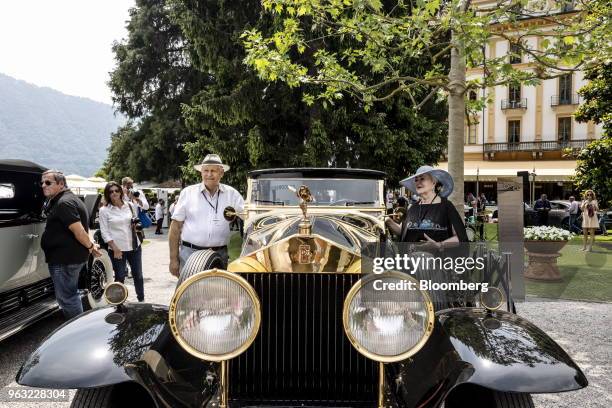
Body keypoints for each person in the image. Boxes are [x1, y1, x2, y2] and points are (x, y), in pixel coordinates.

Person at [40, 169, 101, 319]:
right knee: (70, 296)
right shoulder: (68, 199)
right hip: (67, 258)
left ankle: (76, 331)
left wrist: (91, 246)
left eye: (48, 182)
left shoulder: (64, 203)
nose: (43, 185)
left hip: (64, 260)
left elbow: (79, 231)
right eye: (42, 182)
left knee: (67, 298)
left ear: (61, 184)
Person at [169, 154, 244, 275]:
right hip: (190, 254)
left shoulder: (233, 194)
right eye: (206, 170)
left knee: (218, 292)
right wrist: (173, 259)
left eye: (213, 170)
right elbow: (175, 227)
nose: (209, 174)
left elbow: (248, 217)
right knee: (189, 292)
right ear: (201, 173)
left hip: (219, 255)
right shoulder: (187, 193)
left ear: (221, 173)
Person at [386, 165, 468, 245]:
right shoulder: (412, 207)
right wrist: (388, 221)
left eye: (422, 179)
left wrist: (440, 245)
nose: (418, 182)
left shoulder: (446, 206)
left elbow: (460, 237)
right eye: (416, 180)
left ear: (433, 183)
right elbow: (403, 231)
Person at [99, 181, 145, 301]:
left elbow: (136, 219)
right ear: (107, 194)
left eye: (116, 190)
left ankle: (141, 300)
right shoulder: (104, 210)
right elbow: (104, 232)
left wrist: (136, 226)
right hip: (117, 249)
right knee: (120, 277)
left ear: (120, 191)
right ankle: (119, 302)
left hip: (134, 246)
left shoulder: (129, 205)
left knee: (138, 276)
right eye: (111, 192)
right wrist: (115, 248)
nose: (114, 193)